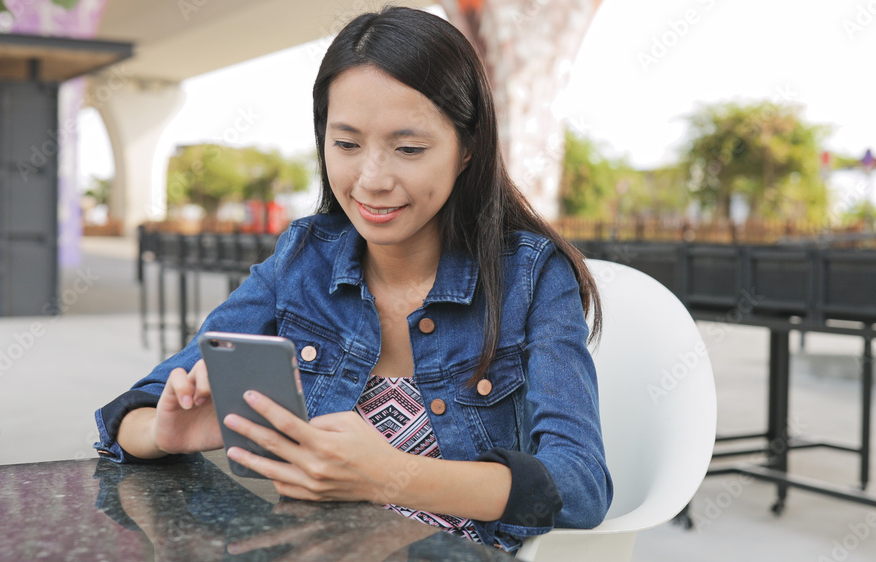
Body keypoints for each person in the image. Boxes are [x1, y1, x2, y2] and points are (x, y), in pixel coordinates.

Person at [94, 6, 612, 552]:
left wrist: (390, 474)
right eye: (346, 144)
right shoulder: (302, 261)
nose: (371, 180)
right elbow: (133, 409)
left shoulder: (532, 278)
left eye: (408, 149)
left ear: (467, 149)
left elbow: (579, 487)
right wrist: (164, 433)